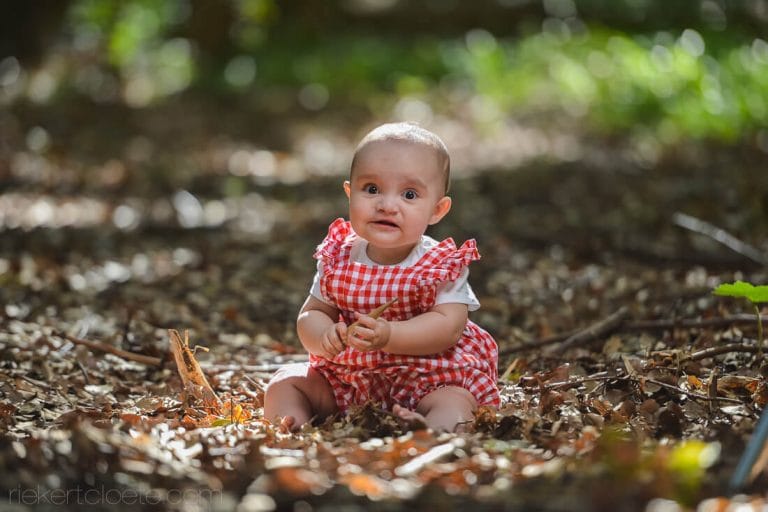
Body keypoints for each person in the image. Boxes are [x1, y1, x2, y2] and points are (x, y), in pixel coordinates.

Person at [263, 122, 499, 433]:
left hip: (427, 379)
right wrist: (323, 335)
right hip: (348, 382)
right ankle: (293, 437)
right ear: (350, 193)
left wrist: (389, 335)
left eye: (409, 194)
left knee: (453, 403)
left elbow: (448, 328)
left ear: (437, 211)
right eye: (372, 189)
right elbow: (312, 312)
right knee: (284, 383)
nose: (387, 205)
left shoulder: (440, 265)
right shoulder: (338, 257)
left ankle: (431, 436)